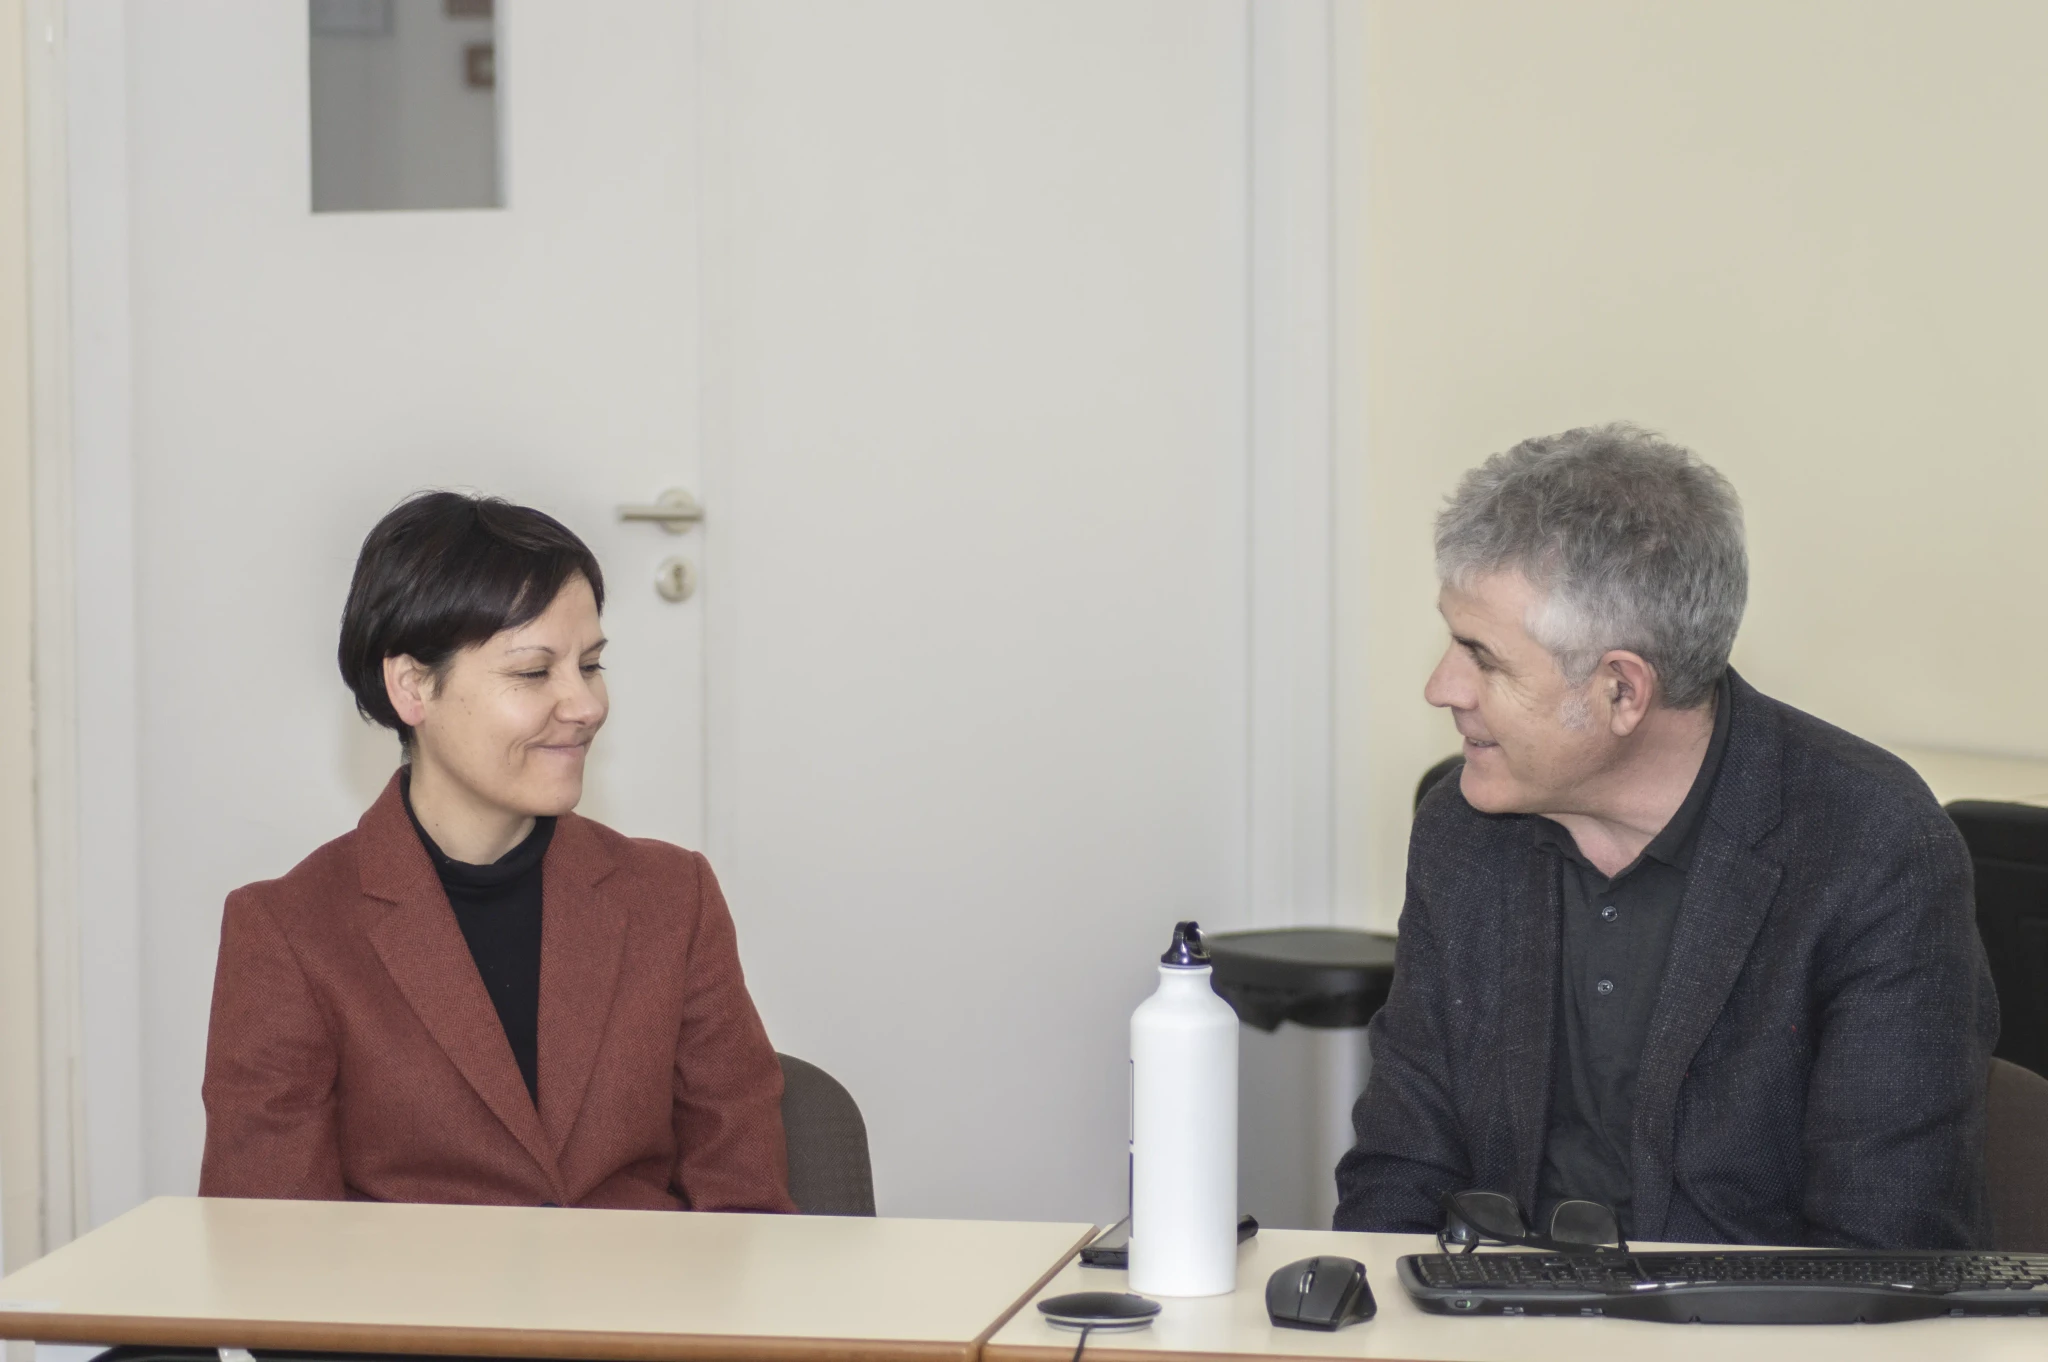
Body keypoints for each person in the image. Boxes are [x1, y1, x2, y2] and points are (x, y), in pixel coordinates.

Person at [1335, 423, 1997, 1248]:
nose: (1442, 688)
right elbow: (1400, 1173)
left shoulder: (1869, 848)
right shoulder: (1464, 828)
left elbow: (1887, 1246)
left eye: (1483, 657)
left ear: (1622, 690)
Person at [199, 491, 795, 1212]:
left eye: (592, 664)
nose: (586, 705)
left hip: (642, 1318)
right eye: (534, 672)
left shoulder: (673, 896)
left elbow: (747, 1212)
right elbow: (272, 1262)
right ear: (413, 685)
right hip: (409, 1324)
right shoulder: (289, 931)